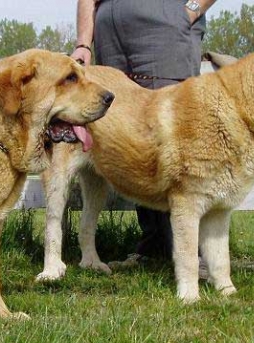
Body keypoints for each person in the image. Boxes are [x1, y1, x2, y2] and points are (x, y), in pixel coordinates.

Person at [71, 0, 216, 267]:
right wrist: (83, 42)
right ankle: (154, 246)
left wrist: (191, 10)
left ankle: (196, 257)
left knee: (173, 139)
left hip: (164, 32)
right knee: (132, 143)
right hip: (112, 42)